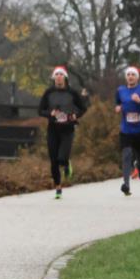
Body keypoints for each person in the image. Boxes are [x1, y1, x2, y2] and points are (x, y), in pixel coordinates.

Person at [37, 66, 87, 199]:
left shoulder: (72, 93)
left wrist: (76, 115)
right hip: (53, 129)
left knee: (61, 158)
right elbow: (40, 110)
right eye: (56, 74)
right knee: (53, 160)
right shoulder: (49, 93)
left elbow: (82, 108)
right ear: (54, 78)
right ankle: (58, 188)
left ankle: (66, 163)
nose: (58, 76)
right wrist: (50, 113)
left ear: (65, 77)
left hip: (67, 129)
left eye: (61, 74)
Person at [114, 66, 140, 196]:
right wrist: (118, 107)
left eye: (133, 74)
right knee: (126, 155)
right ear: (126, 77)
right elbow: (117, 102)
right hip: (126, 129)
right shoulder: (120, 90)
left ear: (137, 77)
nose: (130, 77)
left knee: (139, 154)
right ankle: (126, 184)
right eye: (128, 75)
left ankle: (139, 166)